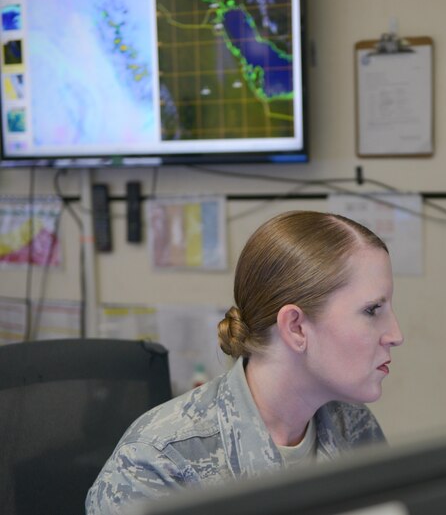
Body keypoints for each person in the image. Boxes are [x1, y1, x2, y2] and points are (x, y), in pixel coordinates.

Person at [86, 210, 404, 514]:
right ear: (295, 327)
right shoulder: (158, 462)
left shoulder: (354, 426)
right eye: (372, 310)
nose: (395, 334)